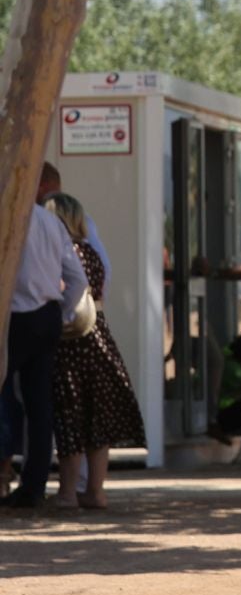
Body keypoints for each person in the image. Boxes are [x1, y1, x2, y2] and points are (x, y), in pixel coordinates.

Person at [44, 193, 144, 510]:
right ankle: (96, 492)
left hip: (72, 339)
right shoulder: (92, 252)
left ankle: (68, 492)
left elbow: (64, 290)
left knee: (70, 415)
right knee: (96, 419)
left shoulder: (66, 253)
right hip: (100, 338)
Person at [2, 201, 88, 508]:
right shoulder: (52, 223)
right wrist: (61, 314)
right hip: (46, 317)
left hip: (11, 318)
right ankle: (34, 486)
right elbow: (78, 279)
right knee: (40, 405)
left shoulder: (8, 212)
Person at [38, 162, 110, 291]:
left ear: (40, 187)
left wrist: (65, 309)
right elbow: (104, 272)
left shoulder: (72, 249)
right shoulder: (88, 249)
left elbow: (78, 282)